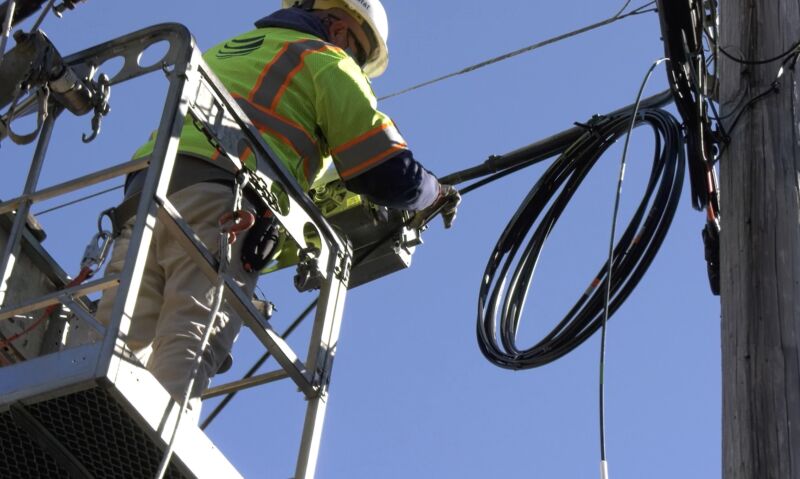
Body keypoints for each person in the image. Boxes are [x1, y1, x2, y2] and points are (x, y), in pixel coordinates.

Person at [95, 0, 460, 417]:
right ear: (341, 30)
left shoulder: (234, 47)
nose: (355, 64)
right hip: (224, 198)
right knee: (193, 333)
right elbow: (385, 170)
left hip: (147, 189)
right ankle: (152, 440)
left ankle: (85, 411)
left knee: (116, 328)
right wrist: (434, 191)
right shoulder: (326, 60)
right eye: (359, 55)